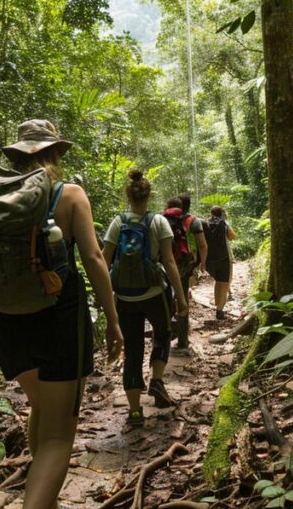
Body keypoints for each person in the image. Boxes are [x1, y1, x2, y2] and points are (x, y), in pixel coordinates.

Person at [0, 119, 123, 509]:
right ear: (55, 154)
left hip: (10, 321)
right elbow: (94, 258)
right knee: (58, 437)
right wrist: (112, 319)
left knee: (42, 410)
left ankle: (41, 498)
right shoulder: (70, 194)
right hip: (61, 318)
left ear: (14, 156)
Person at [103, 169, 189, 426]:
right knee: (162, 334)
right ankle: (157, 380)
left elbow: (102, 260)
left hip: (125, 298)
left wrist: (105, 297)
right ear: (149, 195)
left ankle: (135, 412)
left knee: (132, 350)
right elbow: (170, 261)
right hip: (155, 293)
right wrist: (182, 298)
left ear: (128, 195)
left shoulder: (117, 222)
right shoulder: (158, 222)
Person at [162, 195, 207, 350]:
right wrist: (202, 263)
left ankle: (162, 341)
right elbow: (202, 245)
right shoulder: (193, 221)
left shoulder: (160, 219)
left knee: (164, 299)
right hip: (183, 264)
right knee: (182, 298)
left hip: (163, 266)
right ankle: (182, 341)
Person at [204, 206, 236, 321]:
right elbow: (233, 236)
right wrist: (227, 223)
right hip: (224, 259)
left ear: (211, 213)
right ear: (222, 213)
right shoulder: (224, 223)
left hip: (209, 260)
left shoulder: (205, 223)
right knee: (223, 284)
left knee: (218, 283)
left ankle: (218, 307)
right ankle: (219, 311)